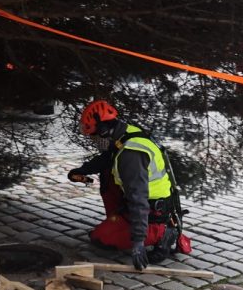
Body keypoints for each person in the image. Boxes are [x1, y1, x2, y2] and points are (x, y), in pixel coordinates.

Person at [67, 99, 191, 270]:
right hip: (146, 205)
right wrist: (82, 170)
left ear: (103, 129)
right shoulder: (125, 134)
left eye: (94, 135)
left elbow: (137, 197)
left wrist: (138, 242)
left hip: (153, 211)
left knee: (102, 240)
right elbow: (107, 158)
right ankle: (123, 220)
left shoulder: (131, 154)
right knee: (107, 174)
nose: (93, 140)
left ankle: (163, 234)